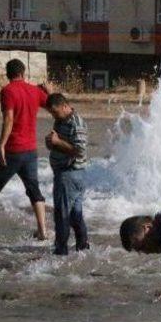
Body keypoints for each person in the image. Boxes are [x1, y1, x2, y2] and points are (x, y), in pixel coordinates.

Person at [0, 59, 52, 238]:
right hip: (31, 151)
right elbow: (53, 105)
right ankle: (43, 231)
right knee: (34, 190)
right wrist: (48, 92)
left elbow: (9, 119)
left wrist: (1, 146)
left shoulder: (7, 91)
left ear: (8, 74)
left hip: (13, 150)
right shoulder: (35, 91)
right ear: (23, 73)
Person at [44, 93, 89, 255]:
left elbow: (80, 151)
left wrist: (57, 142)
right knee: (75, 215)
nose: (53, 115)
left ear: (65, 106)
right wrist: (51, 143)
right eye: (51, 113)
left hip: (70, 174)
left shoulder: (76, 123)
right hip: (69, 174)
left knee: (61, 214)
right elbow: (61, 144)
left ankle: (61, 251)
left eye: (55, 112)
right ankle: (82, 247)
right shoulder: (61, 119)